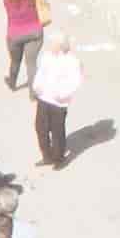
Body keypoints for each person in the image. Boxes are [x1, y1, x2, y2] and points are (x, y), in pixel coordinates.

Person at [30, 26, 81, 168]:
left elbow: (75, 81)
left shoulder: (71, 60)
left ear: (60, 44)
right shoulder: (46, 56)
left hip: (59, 102)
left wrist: (62, 94)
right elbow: (41, 73)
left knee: (57, 131)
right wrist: (37, 86)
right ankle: (46, 156)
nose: (50, 45)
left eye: (53, 43)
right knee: (40, 128)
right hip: (44, 97)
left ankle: (58, 158)